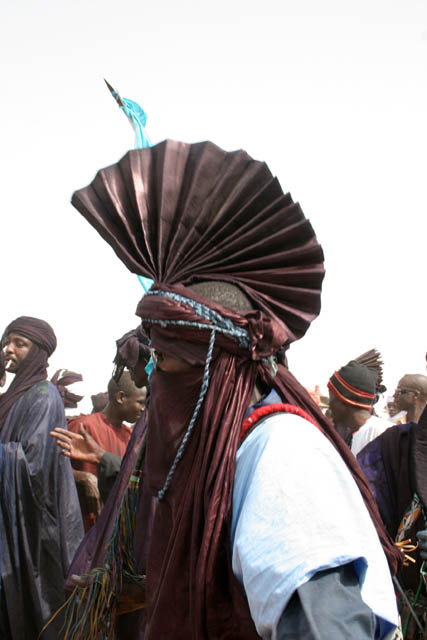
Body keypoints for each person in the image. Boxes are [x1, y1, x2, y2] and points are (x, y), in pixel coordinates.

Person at [66, 140, 400, 638]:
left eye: (167, 363)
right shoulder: (229, 442)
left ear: (214, 367)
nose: (156, 382)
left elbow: (325, 625)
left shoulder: (279, 453)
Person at [0, 316, 83, 639]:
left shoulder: (43, 395)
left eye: (19, 344)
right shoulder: (11, 397)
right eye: (7, 342)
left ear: (37, 352)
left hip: (30, 529)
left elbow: (32, 466)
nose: (8, 349)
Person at [67, 370, 146, 530]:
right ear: (121, 397)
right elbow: (54, 468)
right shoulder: (83, 427)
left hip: (112, 527)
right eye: (140, 403)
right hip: (81, 524)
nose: (143, 409)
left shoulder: (130, 437)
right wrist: (82, 477)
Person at [328, 359, 393, 456]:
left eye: (332, 399)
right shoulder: (355, 434)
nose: (329, 405)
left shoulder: (383, 434)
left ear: (344, 401)